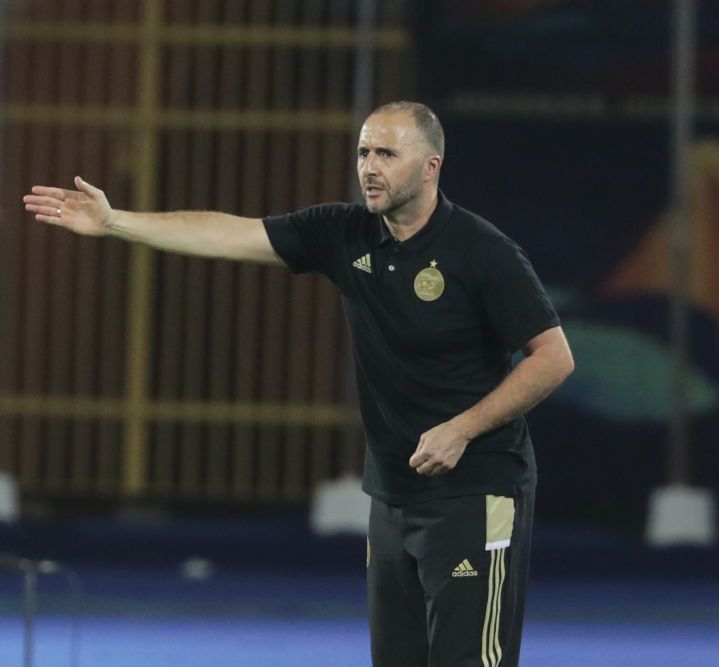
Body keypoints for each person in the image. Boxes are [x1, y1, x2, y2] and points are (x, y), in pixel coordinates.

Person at [24, 101, 574, 667]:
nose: (369, 167)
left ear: (431, 167)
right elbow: (230, 234)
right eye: (363, 152)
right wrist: (116, 221)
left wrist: (462, 429)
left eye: (386, 153)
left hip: (476, 491)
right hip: (392, 495)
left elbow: (553, 358)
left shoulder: (482, 252)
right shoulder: (344, 233)